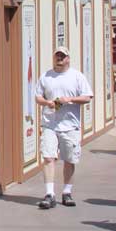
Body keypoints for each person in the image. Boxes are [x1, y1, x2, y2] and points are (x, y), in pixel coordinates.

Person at [34, 46, 94, 209]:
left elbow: (87, 97)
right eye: (57, 56)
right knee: (48, 157)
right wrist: (47, 102)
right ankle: (49, 194)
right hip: (49, 123)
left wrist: (70, 100)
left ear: (68, 58)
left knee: (69, 159)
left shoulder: (77, 76)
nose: (59, 58)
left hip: (70, 125)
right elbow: (38, 96)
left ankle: (67, 192)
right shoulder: (46, 76)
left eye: (63, 56)